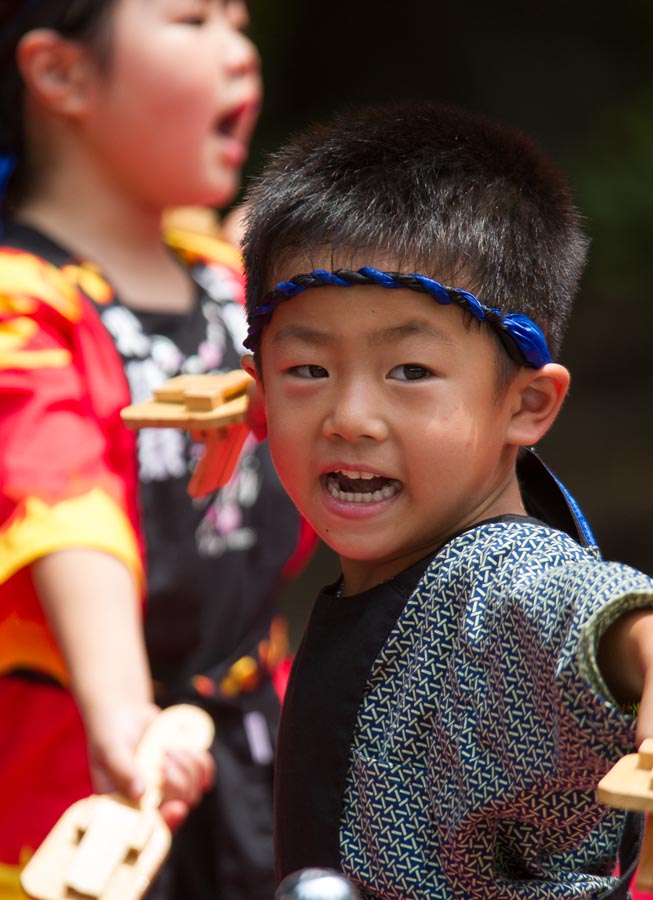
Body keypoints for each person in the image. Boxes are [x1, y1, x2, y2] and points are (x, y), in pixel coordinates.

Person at [239, 102, 653, 900]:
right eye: (307, 370)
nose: (349, 417)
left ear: (527, 404)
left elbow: (572, 606)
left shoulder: (492, 577)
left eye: (409, 372)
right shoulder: (405, 564)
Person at [0, 2, 310, 899]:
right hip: (84, 783)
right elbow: (60, 497)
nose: (240, 53)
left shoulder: (225, 277)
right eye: (194, 18)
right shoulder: (20, 303)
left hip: (257, 748)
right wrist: (121, 712)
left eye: (240, 21)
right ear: (61, 74)